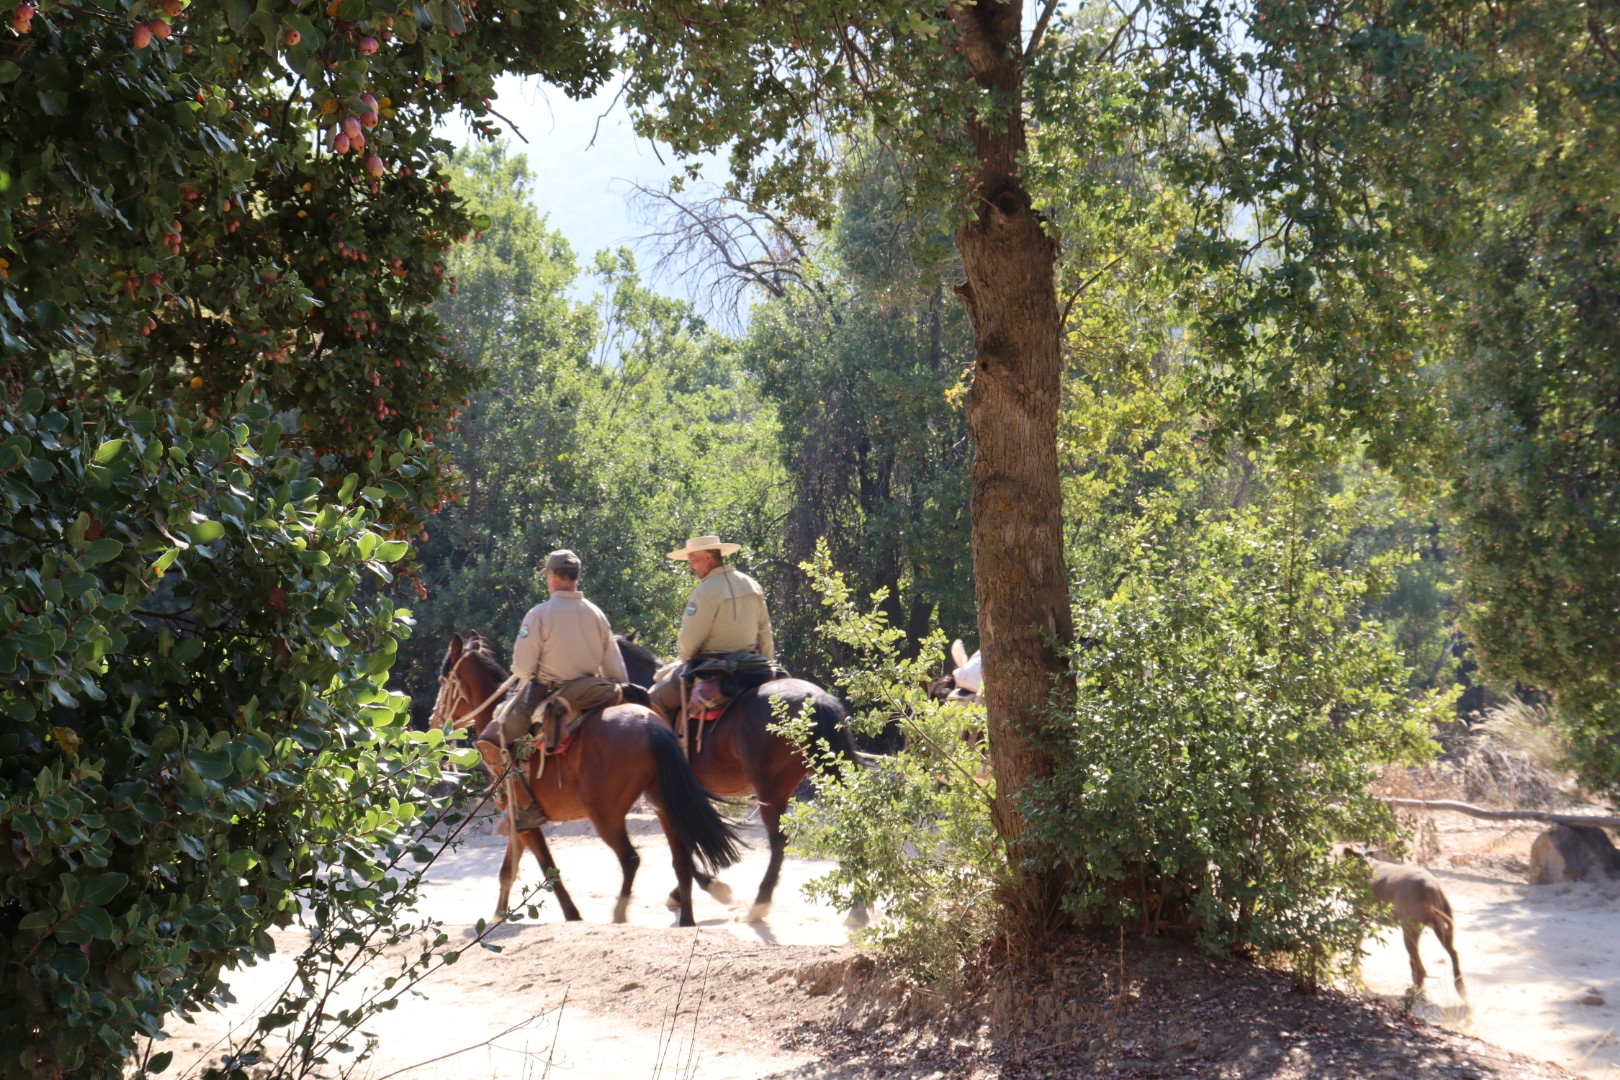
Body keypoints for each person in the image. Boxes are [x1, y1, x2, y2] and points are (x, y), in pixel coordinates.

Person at [476, 549, 627, 829]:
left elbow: (522, 669)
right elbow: (616, 669)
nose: (547, 580)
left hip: (549, 695)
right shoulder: (596, 613)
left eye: (547, 575)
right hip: (595, 692)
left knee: (489, 742)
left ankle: (526, 808)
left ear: (555, 576)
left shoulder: (539, 614)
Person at [648, 535, 775, 722]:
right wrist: (767, 662)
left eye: (693, 560)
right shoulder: (751, 583)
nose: (690, 566)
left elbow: (690, 639)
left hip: (711, 664)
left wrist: (685, 659)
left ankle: (672, 749)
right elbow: (764, 630)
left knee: (653, 699)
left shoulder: (704, 591)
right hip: (751, 662)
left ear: (708, 557)